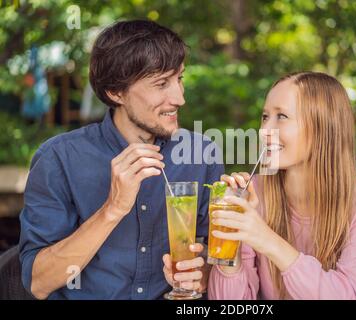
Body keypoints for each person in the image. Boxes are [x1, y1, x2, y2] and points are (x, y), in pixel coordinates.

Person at [19, 20, 223, 300]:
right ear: (116, 92)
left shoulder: (201, 155)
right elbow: (38, 283)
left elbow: (222, 262)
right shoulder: (58, 159)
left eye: (179, 79)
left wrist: (203, 277)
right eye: (161, 83)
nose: (179, 98)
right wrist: (113, 209)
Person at [208, 72, 356, 300]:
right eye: (265, 117)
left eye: (281, 116)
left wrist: (267, 239)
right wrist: (229, 247)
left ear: (323, 127)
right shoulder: (255, 194)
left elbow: (350, 295)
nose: (264, 131)